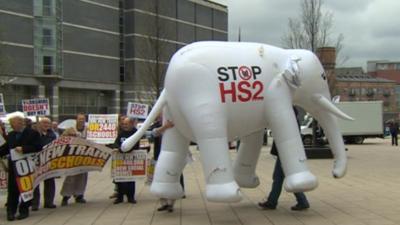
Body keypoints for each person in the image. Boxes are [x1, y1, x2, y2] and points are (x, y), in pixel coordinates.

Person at [258, 107, 310, 211]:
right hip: (285, 152)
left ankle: (274, 202)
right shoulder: (291, 120)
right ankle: (299, 201)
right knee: (279, 177)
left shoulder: (288, 121)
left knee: (280, 177)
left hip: (286, 153)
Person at [0, 115, 42, 221]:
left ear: (20, 123)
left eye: (12, 124)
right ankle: (11, 211)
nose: (12, 126)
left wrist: (24, 149)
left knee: (25, 188)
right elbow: (6, 148)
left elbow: (38, 147)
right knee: (13, 190)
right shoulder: (11, 134)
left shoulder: (33, 133)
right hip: (14, 167)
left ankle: (24, 210)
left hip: (27, 167)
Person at [60, 113, 88, 206]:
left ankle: (79, 195)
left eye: (83, 119)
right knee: (70, 177)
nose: (81, 120)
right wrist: (69, 136)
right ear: (76, 120)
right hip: (72, 156)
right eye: (79, 119)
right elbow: (61, 140)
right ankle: (66, 196)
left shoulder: (89, 130)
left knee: (82, 177)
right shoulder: (70, 129)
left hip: (84, 156)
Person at [31, 117, 57, 210]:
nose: (46, 125)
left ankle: (49, 202)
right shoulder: (35, 133)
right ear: (39, 124)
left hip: (48, 160)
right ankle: (34, 203)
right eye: (44, 123)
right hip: (36, 161)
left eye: (47, 123)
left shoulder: (52, 134)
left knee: (50, 182)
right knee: (35, 182)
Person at [112, 117, 140, 204]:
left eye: (126, 124)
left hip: (131, 160)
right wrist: (116, 148)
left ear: (131, 124)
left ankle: (130, 197)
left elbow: (134, 146)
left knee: (130, 180)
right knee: (120, 179)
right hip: (121, 159)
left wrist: (121, 150)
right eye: (123, 124)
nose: (124, 126)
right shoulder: (121, 133)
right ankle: (119, 197)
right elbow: (116, 143)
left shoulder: (135, 133)